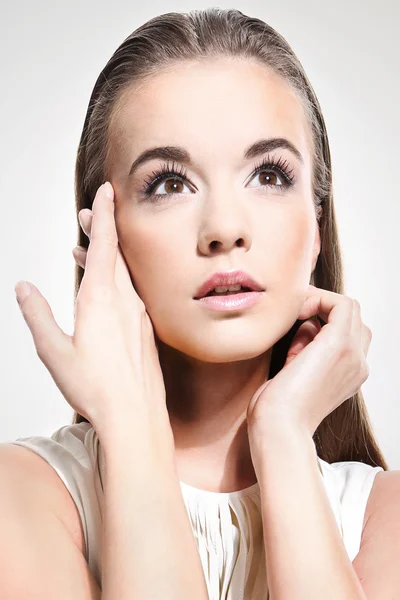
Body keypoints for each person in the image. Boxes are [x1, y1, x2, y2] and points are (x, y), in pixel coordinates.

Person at [2, 7, 398, 600]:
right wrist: (133, 432)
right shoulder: (26, 495)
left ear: (317, 225)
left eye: (268, 175)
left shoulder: (380, 517)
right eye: (168, 183)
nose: (224, 229)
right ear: (103, 234)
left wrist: (284, 436)